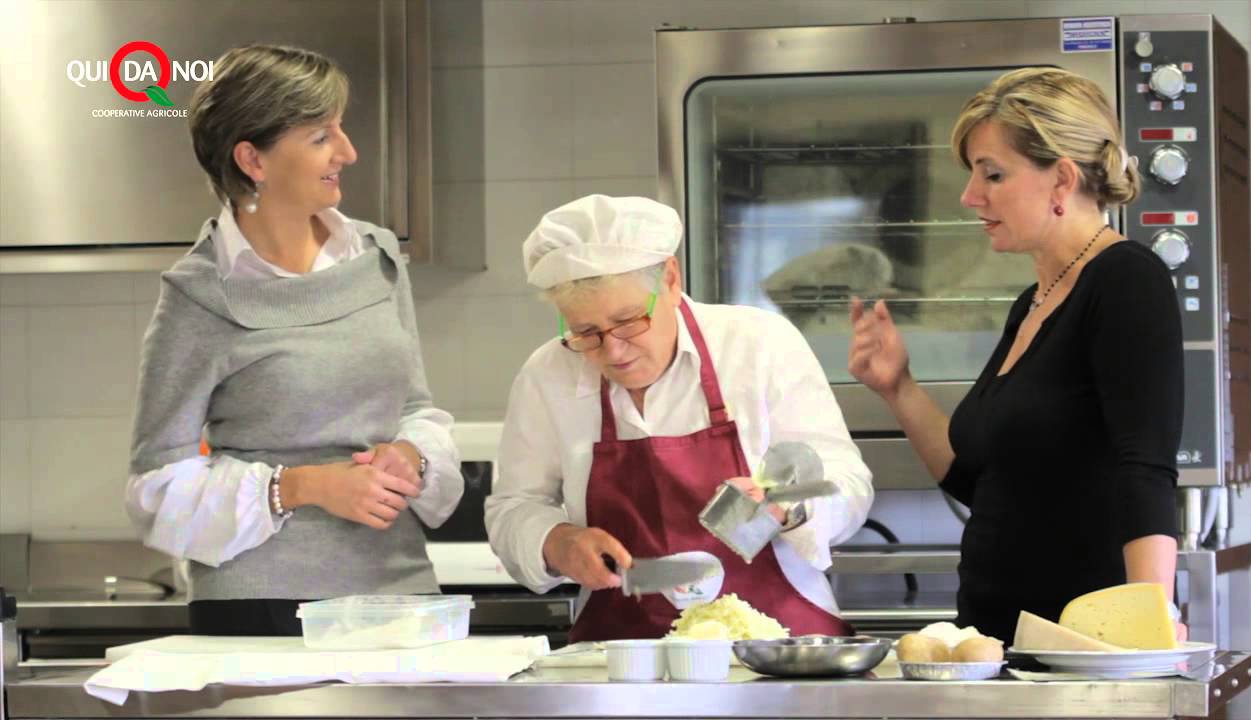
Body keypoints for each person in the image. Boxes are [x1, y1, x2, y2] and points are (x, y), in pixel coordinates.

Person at [125, 44, 464, 636]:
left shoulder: (377, 257)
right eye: (319, 136)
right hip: (259, 608)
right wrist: (301, 487)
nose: (348, 152)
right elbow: (155, 488)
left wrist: (410, 454)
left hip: (397, 595)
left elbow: (412, 407)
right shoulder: (199, 296)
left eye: (341, 127)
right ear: (252, 158)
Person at [848, 68, 1183, 643]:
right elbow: (984, 485)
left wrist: (1148, 625)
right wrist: (899, 387)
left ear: (1062, 180)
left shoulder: (1127, 280)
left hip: (1081, 651)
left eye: (993, 175)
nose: (970, 196)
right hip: (995, 645)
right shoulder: (1035, 301)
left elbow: (1146, 468)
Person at [484, 194, 874, 642]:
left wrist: (791, 506)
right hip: (623, 655)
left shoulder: (759, 345)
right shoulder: (547, 374)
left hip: (776, 644)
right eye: (586, 332)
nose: (613, 350)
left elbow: (847, 482)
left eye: (629, 321)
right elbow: (513, 507)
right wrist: (557, 541)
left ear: (670, 279)